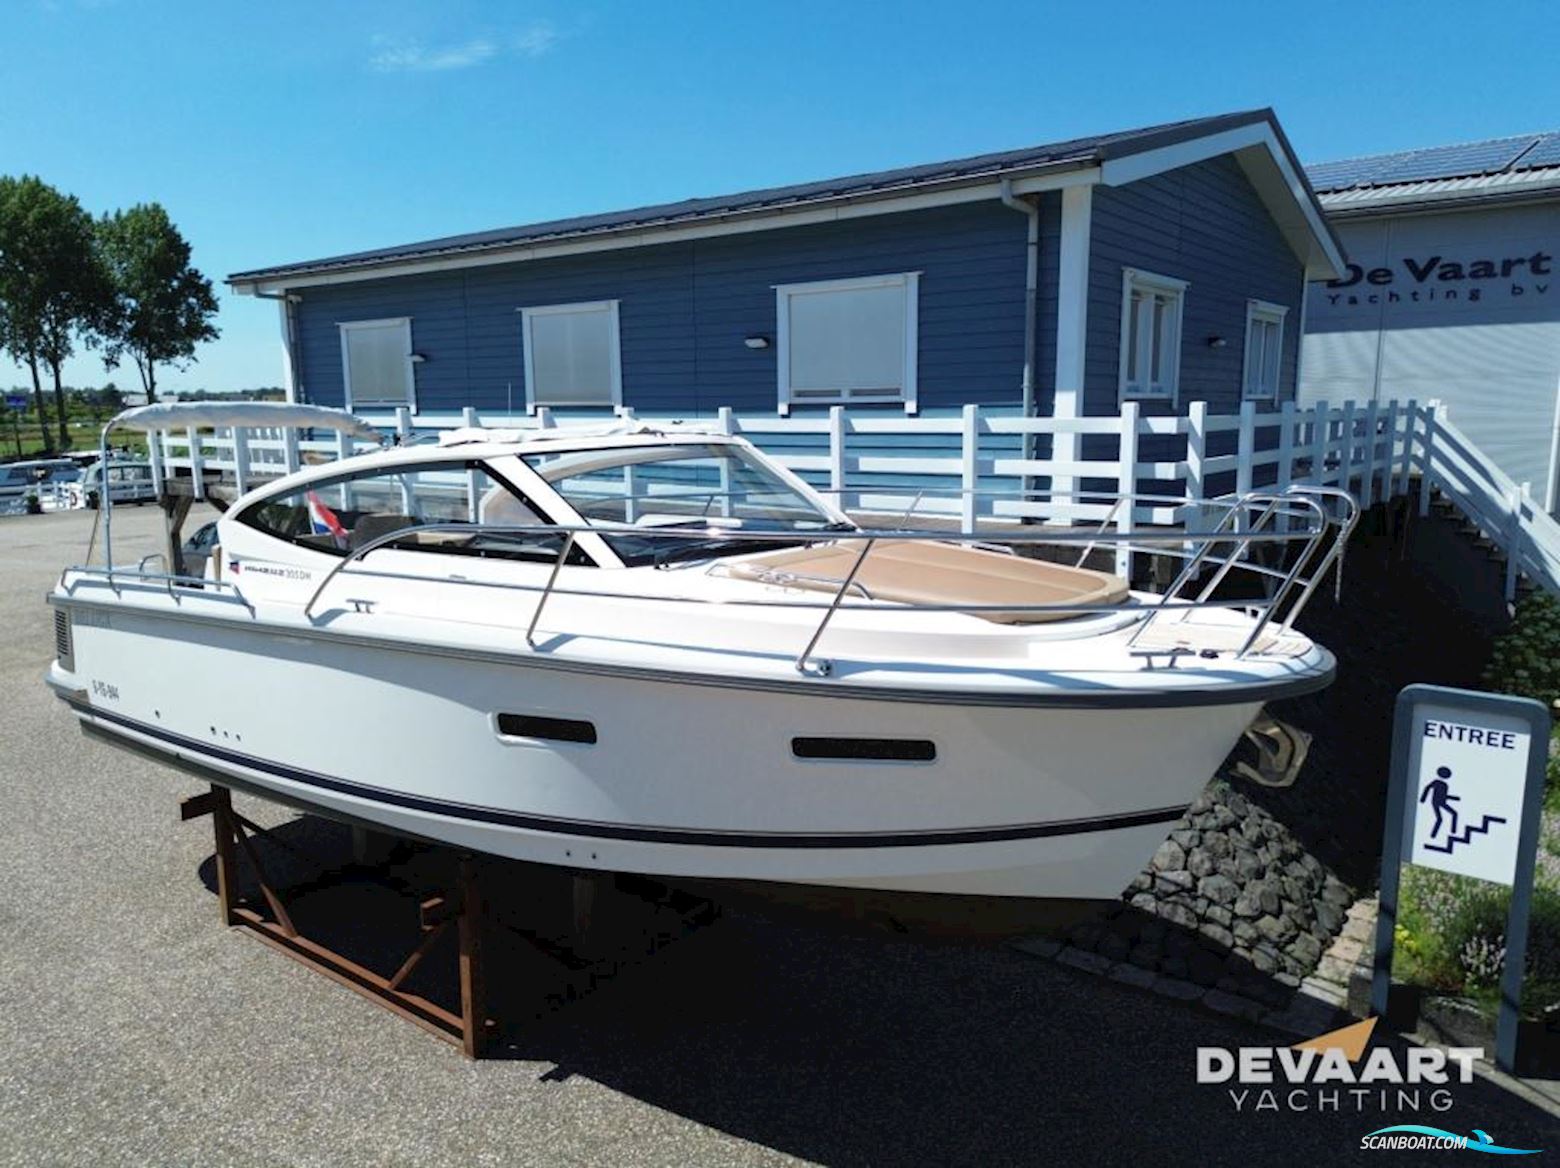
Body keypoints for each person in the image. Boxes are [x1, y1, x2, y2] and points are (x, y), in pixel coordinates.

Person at [1419, 766, 1461, 840]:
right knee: (1440, 819)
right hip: (1436, 802)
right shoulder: (1436, 782)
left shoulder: (1445, 785)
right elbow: (1427, 788)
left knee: (1454, 814)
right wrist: (1423, 798)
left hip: (1441, 802)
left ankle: (1453, 831)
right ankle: (1433, 835)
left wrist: (1454, 798)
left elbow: (1443, 796)